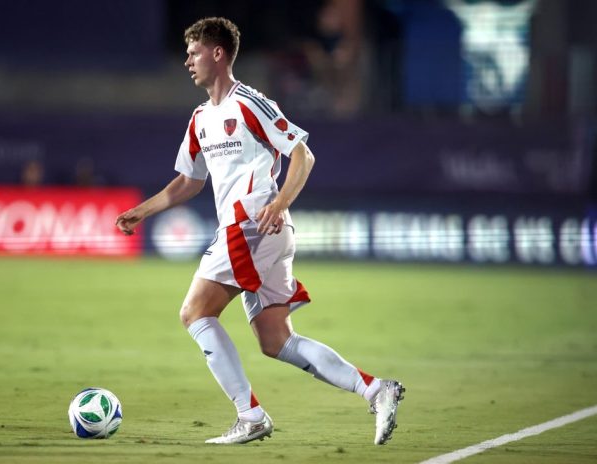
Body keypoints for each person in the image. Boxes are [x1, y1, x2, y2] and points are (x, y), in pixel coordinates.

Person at [116, 17, 404, 445]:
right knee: (276, 340)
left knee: (195, 313)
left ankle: (250, 417)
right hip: (260, 232)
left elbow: (303, 155)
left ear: (218, 54)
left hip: (251, 224)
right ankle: (377, 390)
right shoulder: (200, 119)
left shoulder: (250, 103)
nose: (187, 61)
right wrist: (143, 210)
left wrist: (280, 201)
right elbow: (189, 181)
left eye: (194, 53)